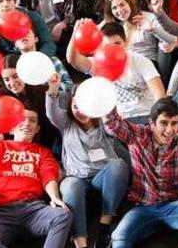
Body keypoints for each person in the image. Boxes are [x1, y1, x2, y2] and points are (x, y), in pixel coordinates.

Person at [102, 97, 178, 248]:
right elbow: (113, 124)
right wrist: (105, 94)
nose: (169, 130)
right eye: (164, 123)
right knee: (118, 236)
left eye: (174, 123)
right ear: (152, 124)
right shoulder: (138, 135)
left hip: (174, 206)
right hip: (143, 208)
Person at [0, 105, 72, 248]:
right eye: (21, 120)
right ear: (11, 127)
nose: (26, 124)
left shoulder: (43, 152)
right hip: (1, 212)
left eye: (32, 121)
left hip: (33, 209)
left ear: (37, 129)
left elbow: (48, 177)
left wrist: (55, 197)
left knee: (62, 216)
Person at [47, 75, 128, 248]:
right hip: (76, 179)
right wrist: (53, 89)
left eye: (85, 106)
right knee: (71, 186)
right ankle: (80, 242)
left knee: (119, 165)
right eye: (76, 106)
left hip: (103, 182)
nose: (80, 111)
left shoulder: (103, 122)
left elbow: (114, 126)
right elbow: (52, 112)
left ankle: (104, 227)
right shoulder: (66, 123)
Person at [67, 21, 165, 123]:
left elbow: (159, 93)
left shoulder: (141, 61)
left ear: (126, 42)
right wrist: (75, 33)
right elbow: (72, 60)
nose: (113, 49)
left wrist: (155, 120)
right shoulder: (97, 63)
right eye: (107, 45)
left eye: (117, 43)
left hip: (146, 115)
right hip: (119, 121)